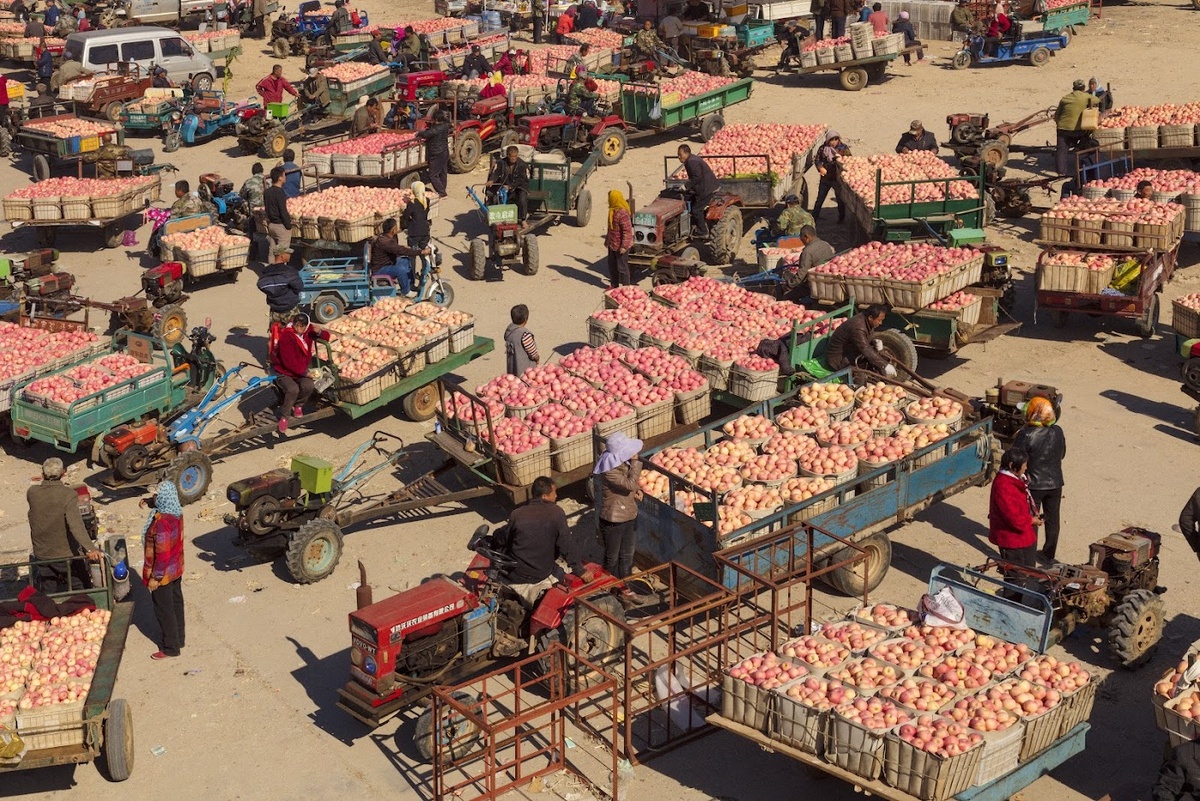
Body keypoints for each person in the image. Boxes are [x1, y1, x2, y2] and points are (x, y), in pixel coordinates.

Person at [498, 476, 592, 608]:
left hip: (518, 574)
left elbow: (504, 538)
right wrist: (580, 570)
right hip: (540, 572)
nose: (556, 495)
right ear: (545, 496)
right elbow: (566, 544)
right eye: (554, 493)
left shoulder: (517, 514)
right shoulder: (556, 513)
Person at [28, 458, 99, 593]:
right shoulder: (68, 494)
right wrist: (90, 548)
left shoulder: (32, 492)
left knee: (49, 589)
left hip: (42, 554)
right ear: (64, 473)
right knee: (81, 585)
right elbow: (75, 524)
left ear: (42, 474)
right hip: (64, 555)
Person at [1011, 396, 1065, 564]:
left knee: (1032, 521)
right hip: (1055, 482)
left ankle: (1029, 560)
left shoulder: (1025, 434)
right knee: (1052, 519)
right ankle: (1049, 554)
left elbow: (1017, 459)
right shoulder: (1058, 431)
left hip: (1033, 485)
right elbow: (1062, 454)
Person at [140, 480, 186, 660]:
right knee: (176, 604)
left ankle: (170, 647)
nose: (154, 498)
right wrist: (149, 501)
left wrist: (155, 578)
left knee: (164, 610)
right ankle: (179, 639)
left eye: (156, 496)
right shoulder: (176, 512)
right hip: (176, 568)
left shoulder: (162, 524)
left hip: (164, 573)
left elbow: (162, 554)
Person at [594, 432, 642, 580]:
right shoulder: (610, 471)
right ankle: (608, 585)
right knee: (612, 558)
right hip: (614, 520)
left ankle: (625, 585)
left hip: (629, 515)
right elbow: (629, 484)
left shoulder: (621, 464)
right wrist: (635, 464)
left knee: (627, 555)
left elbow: (627, 487)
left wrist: (636, 491)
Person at [988, 447, 1041, 581]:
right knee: (1015, 577)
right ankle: (1012, 601)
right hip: (1011, 538)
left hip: (1021, 535)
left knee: (1026, 572)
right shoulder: (1003, 486)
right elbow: (1013, 517)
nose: (1026, 467)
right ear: (1012, 466)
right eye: (1024, 465)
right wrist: (1031, 521)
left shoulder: (1016, 480)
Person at [270, 312, 330, 429]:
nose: (298, 328)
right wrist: (305, 372)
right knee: (293, 389)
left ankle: (298, 405)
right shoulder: (287, 337)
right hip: (285, 371)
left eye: (302, 326)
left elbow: (326, 337)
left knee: (309, 386)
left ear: (306, 326)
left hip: (300, 370)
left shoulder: (308, 332)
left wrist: (320, 332)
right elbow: (289, 362)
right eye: (296, 325)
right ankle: (284, 416)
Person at [826, 304, 895, 375]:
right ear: (870, 317)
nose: (880, 323)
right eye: (879, 320)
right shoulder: (858, 327)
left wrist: (873, 342)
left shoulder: (866, 321)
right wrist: (884, 365)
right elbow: (865, 348)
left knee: (879, 359)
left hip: (850, 350)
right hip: (838, 359)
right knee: (860, 376)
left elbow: (864, 341)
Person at [370, 218, 428, 295]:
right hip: (380, 269)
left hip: (387, 263)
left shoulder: (386, 237)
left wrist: (404, 247)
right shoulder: (385, 242)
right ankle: (406, 292)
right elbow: (399, 250)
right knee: (400, 269)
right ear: (393, 230)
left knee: (406, 261)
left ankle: (410, 285)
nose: (398, 228)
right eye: (396, 227)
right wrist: (421, 252)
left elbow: (396, 248)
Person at [1054, 79, 1100, 176]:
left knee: (1061, 150)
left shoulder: (1065, 98)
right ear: (1083, 88)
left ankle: (1061, 173)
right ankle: (1079, 150)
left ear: (1073, 88)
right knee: (1087, 136)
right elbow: (1097, 100)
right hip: (1078, 130)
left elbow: (1056, 115)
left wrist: (1060, 123)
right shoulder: (1085, 96)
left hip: (1063, 128)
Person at [678, 143, 718, 238]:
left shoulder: (692, 161)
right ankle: (692, 224)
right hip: (702, 186)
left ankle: (703, 232)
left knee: (696, 210)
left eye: (680, 154)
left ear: (686, 153)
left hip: (706, 189)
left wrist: (686, 186)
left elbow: (697, 177)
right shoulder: (690, 160)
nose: (679, 157)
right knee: (689, 200)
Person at [813, 130, 850, 223]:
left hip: (837, 179)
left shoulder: (843, 148)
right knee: (820, 199)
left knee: (840, 199)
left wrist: (840, 160)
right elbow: (817, 160)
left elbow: (849, 160)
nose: (833, 142)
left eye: (836, 139)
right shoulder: (823, 148)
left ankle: (841, 219)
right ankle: (814, 219)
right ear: (827, 140)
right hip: (826, 178)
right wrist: (820, 167)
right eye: (831, 140)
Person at [257, 251, 303, 325]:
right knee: (292, 334)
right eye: (288, 253)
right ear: (281, 256)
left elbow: (261, 285)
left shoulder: (267, 271)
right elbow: (299, 287)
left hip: (274, 310)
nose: (290, 255)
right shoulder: (290, 271)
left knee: (276, 333)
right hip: (289, 309)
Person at [488, 145, 530, 221]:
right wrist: (492, 180)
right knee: (497, 197)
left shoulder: (521, 164)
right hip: (505, 185)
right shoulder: (502, 163)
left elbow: (521, 179)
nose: (513, 158)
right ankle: (500, 217)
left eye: (515, 156)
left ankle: (523, 219)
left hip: (519, 186)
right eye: (511, 156)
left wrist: (510, 186)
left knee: (522, 198)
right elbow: (497, 173)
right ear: (507, 155)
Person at [416, 109, 450, 197]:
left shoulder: (436, 129)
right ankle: (442, 188)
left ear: (436, 119)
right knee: (443, 171)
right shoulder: (445, 126)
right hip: (444, 151)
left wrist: (419, 133)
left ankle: (442, 192)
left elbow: (427, 134)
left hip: (436, 152)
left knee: (432, 175)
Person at [606, 189, 633, 288]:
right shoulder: (612, 211)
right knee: (612, 265)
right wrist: (607, 241)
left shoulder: (623, 213)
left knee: (622, 267)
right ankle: (614, 285)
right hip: (612, 244)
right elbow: (610, 228)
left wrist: (624, 246)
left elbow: (627, 231)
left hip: (621, 245)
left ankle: (626, 287)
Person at [264, 165, 293, 256]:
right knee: (282, 254)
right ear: (280, 178)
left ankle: (271, 268)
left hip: (271, 225)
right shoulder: (280, 193)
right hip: (280, 226)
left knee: (272, 251)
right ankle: (280, 269)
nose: (285, 177)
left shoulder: (267, 192)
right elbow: (283, 211)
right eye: (284, 175)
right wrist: (288, 226)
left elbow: (267, 208)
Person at [506, 304, 539, 376]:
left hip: (512, 369)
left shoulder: (509, 331)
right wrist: (537, 359)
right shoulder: (525, 335)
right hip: (526, 372)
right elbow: (533, 353)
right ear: (525, 320)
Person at [402, 181, 431, 249]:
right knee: (424, 252)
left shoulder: (412, 203)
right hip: (425, 230)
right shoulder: (426, 201)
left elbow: (406, 216)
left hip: (414, 232)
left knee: (412, 253)